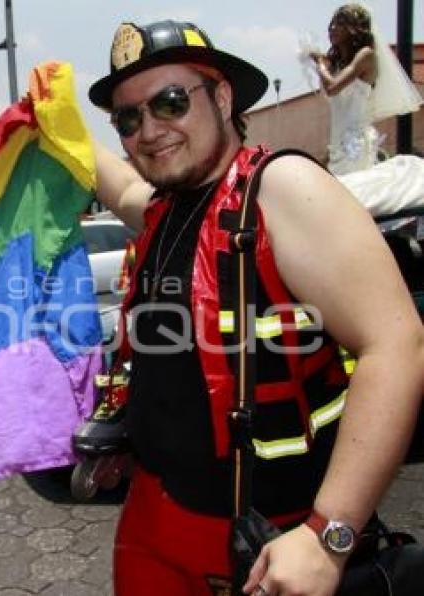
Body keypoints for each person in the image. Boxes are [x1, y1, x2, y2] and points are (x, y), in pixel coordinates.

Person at [88, 18, 424, 595]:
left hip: (267, 548)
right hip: (151, 525)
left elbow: (397, 345)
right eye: (129, 118)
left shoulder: (283, 189)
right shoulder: (167, 211)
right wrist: (48, 120)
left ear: (221, 97)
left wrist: (328, 536)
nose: (150, 129)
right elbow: (121, 189)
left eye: (170, 102)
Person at [309, 3, 422, 175]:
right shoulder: (338, 66)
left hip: (355, 145)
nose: (332, 28)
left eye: (339, 23)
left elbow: (332, 88)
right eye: (331, 24)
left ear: (354, 28)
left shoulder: (366, 55)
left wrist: (320, 66)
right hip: (337, 146)